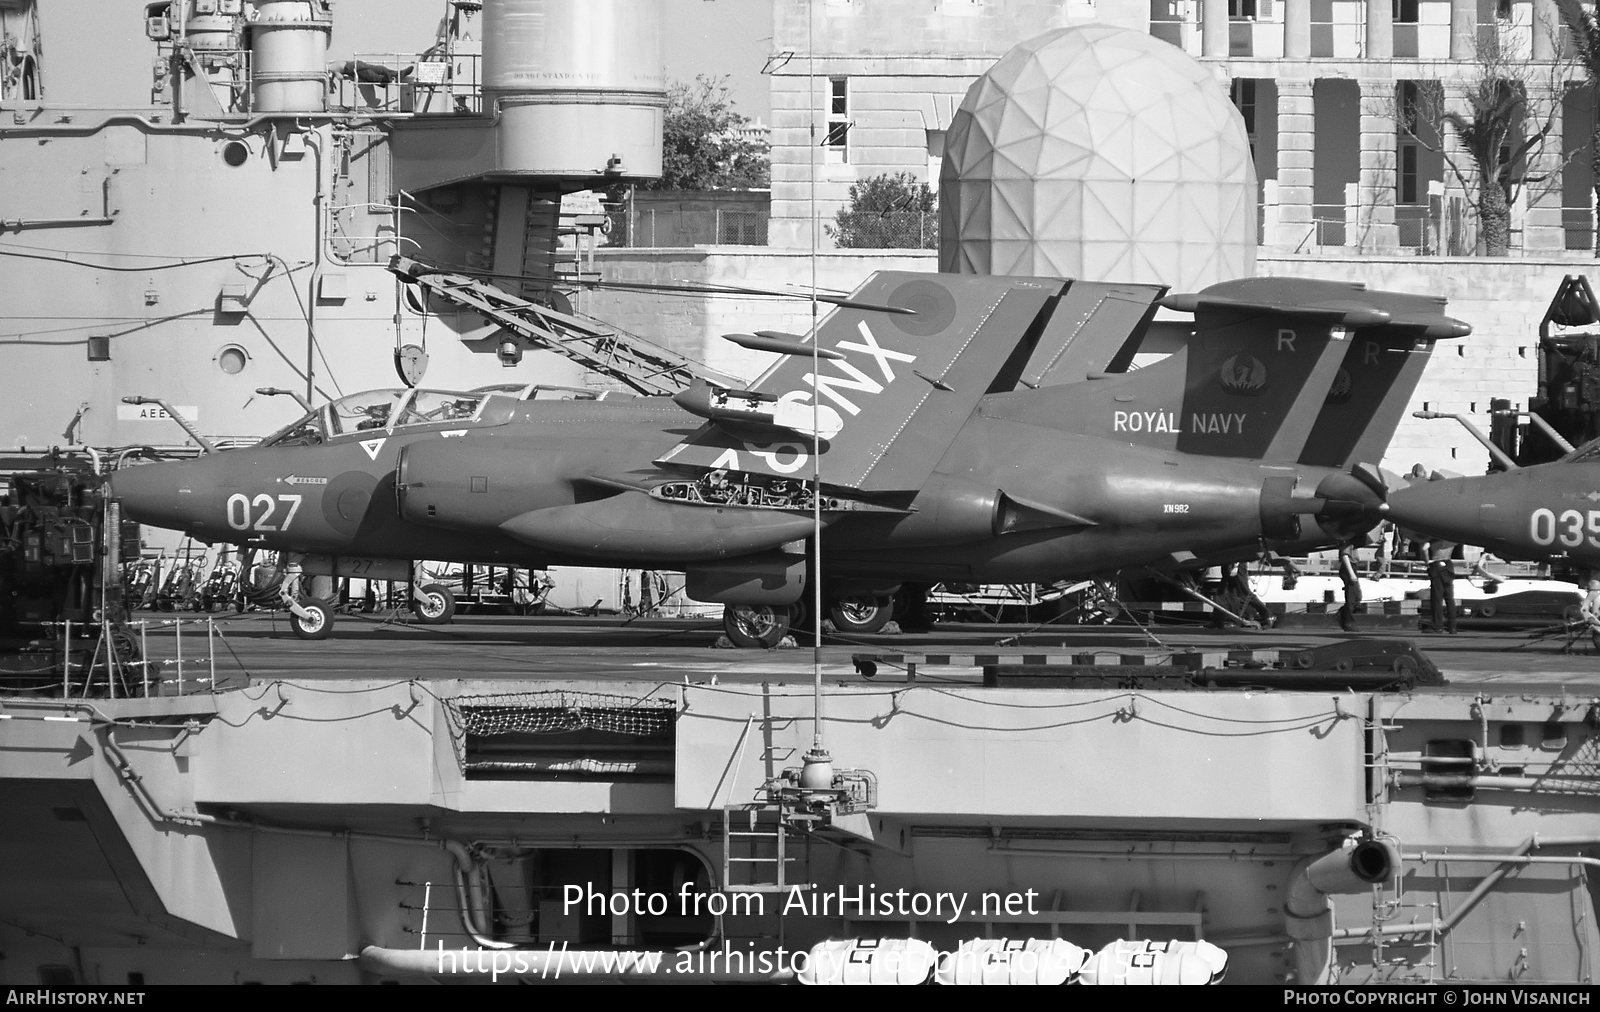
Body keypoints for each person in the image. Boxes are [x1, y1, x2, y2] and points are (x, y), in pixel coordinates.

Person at [1427, 539, 1459, 634]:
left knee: (1437, 598)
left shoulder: (1434, 541)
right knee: (1450, 599)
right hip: (1448, 564)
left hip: (1436, 563)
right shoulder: (1451, 542)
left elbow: (1424, 548)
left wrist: (1426, 560)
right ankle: (1452, 627)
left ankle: (1438, 626)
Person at [1337, 542, 1362, 632]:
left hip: (1352, 566)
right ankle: (1347, 620)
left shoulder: (1351, 539)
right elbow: (1345, 555)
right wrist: (1351, 573)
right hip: (1349, 566)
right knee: (1352, 596)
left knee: (1356, 596)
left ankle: (1343, 615)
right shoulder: (1347, 540)